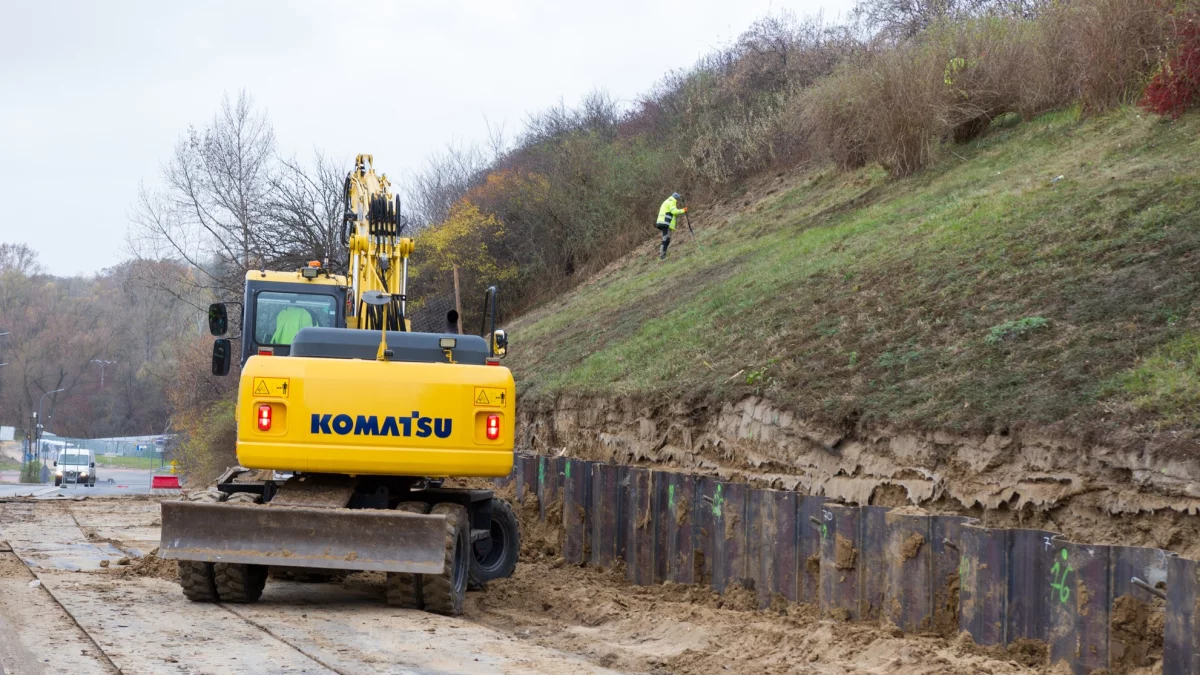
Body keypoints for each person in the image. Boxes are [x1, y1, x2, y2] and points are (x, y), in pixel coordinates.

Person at [655, 192, 687, 260]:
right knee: (665, 238)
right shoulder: (671, 202)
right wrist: (684, 210)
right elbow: (674, 211)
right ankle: (662, 255)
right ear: (675, 198)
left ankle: (663, 254)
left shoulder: (668, 201)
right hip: (665, 223)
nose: (677, 201)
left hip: (665, 223)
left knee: (667, 239)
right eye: (677, 199)